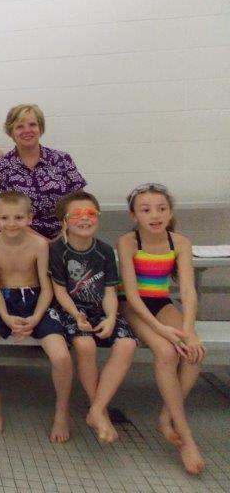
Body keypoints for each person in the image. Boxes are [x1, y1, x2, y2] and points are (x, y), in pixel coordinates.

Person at [116, 183, 206, 474]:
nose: (154, 215)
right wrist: (160, 329)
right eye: (146, 210)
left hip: (161, 302)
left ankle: (167, 416)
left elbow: (188, 291)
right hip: (135, 306)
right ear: (134, 215)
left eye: (161, 209)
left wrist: (189, 330)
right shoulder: (128, 242)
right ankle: (186, 436)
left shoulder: (180, 242)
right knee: (166, 352)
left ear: (170, 212)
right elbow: (131, 295)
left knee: (194, 352)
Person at [0, 191, 72, 443]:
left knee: (61, 356)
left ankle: (61, 410)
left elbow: (47, 288)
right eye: (5, 218)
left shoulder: (39, 245)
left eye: (18, 217)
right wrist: (5, 317)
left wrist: (36, 318)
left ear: (29, 218)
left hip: (37, 301)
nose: (11, 223)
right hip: (4, 300)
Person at [50, 191, 136, 444]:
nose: (84, 218)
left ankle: (97, 409)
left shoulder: (105, 251)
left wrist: (110, 317)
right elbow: (60, 292)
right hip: (70, 311)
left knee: (127, 344)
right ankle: (97, 409)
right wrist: (76, 315)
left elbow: (109, 291)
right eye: (76, 214)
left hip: (101, 310)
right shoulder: (57, 251)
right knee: (85, 345)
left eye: (90, 213)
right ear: (64, 221)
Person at [0, 104, 86, 240]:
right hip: (20, 238)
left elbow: (80, 201)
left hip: (66, 235)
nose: (27, 130)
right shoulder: (1, 166)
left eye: (32, 124)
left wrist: (62, 237)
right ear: (11, 131)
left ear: (40, 128)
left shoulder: (62, 159)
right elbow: (1, 211)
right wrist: (42, 242)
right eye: (20, 126)